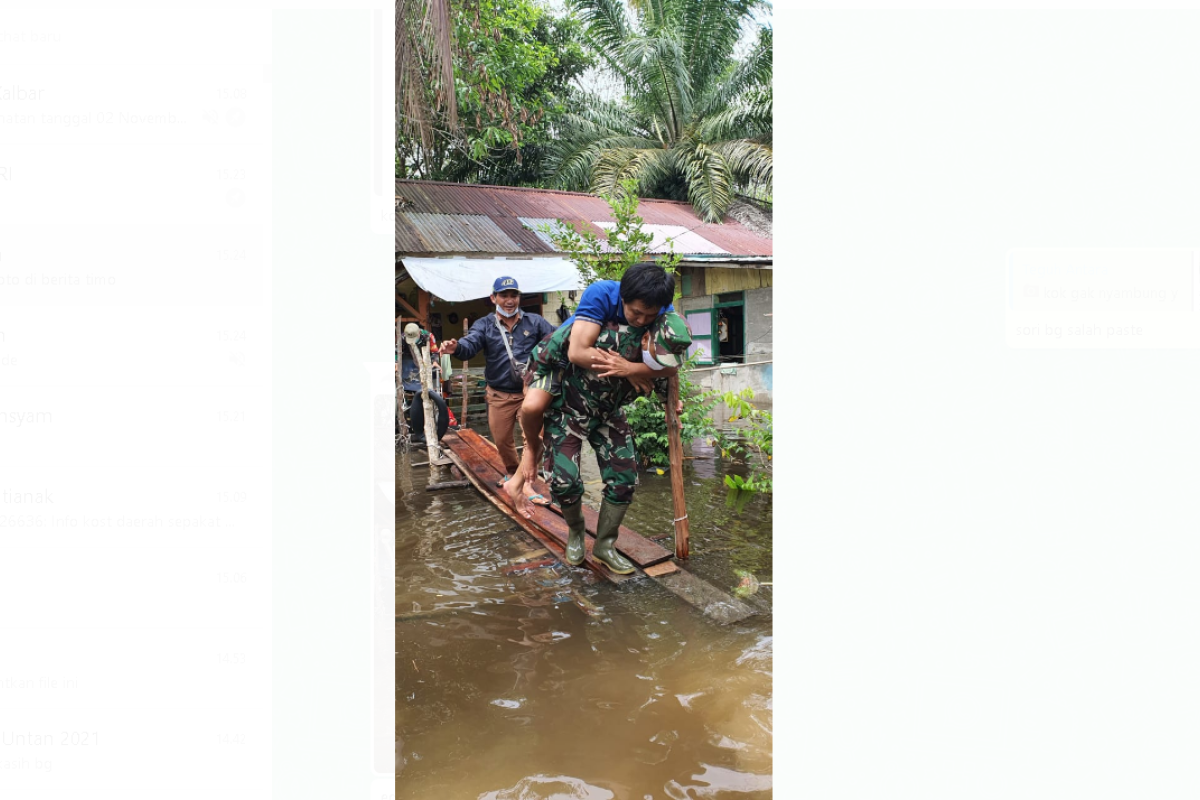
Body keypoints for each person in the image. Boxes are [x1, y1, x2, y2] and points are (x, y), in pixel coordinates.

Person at [505, 311, 692, 574]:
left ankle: (604, 545)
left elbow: (666, 386)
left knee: (624, 479)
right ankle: (576, 532)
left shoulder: (660, 359)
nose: (660, 362)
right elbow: (544, 352)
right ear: (646, 337)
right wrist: (533, 388)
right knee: (563, 481)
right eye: (658, 353)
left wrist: (671, 405)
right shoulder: (604, 334)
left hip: (608, 414)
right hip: (568, 412)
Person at [440, 277, 555, 481]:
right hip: (499, 395)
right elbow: (469, 345)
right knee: (502, 440)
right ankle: (512, 472)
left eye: (514, 295)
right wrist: (455, 347)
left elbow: (556, 340)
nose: (509, 300)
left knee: (534, 439)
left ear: (519, 298)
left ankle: (526, 480)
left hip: (530, 393)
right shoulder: (484, 325)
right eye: (504, 295)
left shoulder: (535, 322)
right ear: (494, 298)